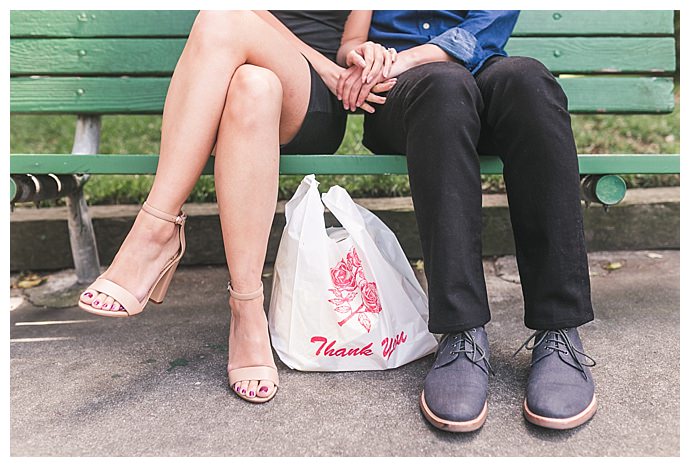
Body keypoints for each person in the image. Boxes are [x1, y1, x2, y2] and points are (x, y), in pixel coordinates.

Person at [77, 10, 396, 404]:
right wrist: (325, 66)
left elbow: (348, 38)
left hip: (308, 96)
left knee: (220, 16)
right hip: (226, 85)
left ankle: (156, 229)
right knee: (253, 84)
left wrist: (356, 57)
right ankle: (247, 311)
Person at [345, 10, 597, 431]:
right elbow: (351, 40)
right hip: (408, 96)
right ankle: (461, 333)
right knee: (444, 85)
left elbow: (492, 17)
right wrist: (365, 57)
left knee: (529, 81)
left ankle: (560, 329)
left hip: (481, 67)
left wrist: (416, 56)